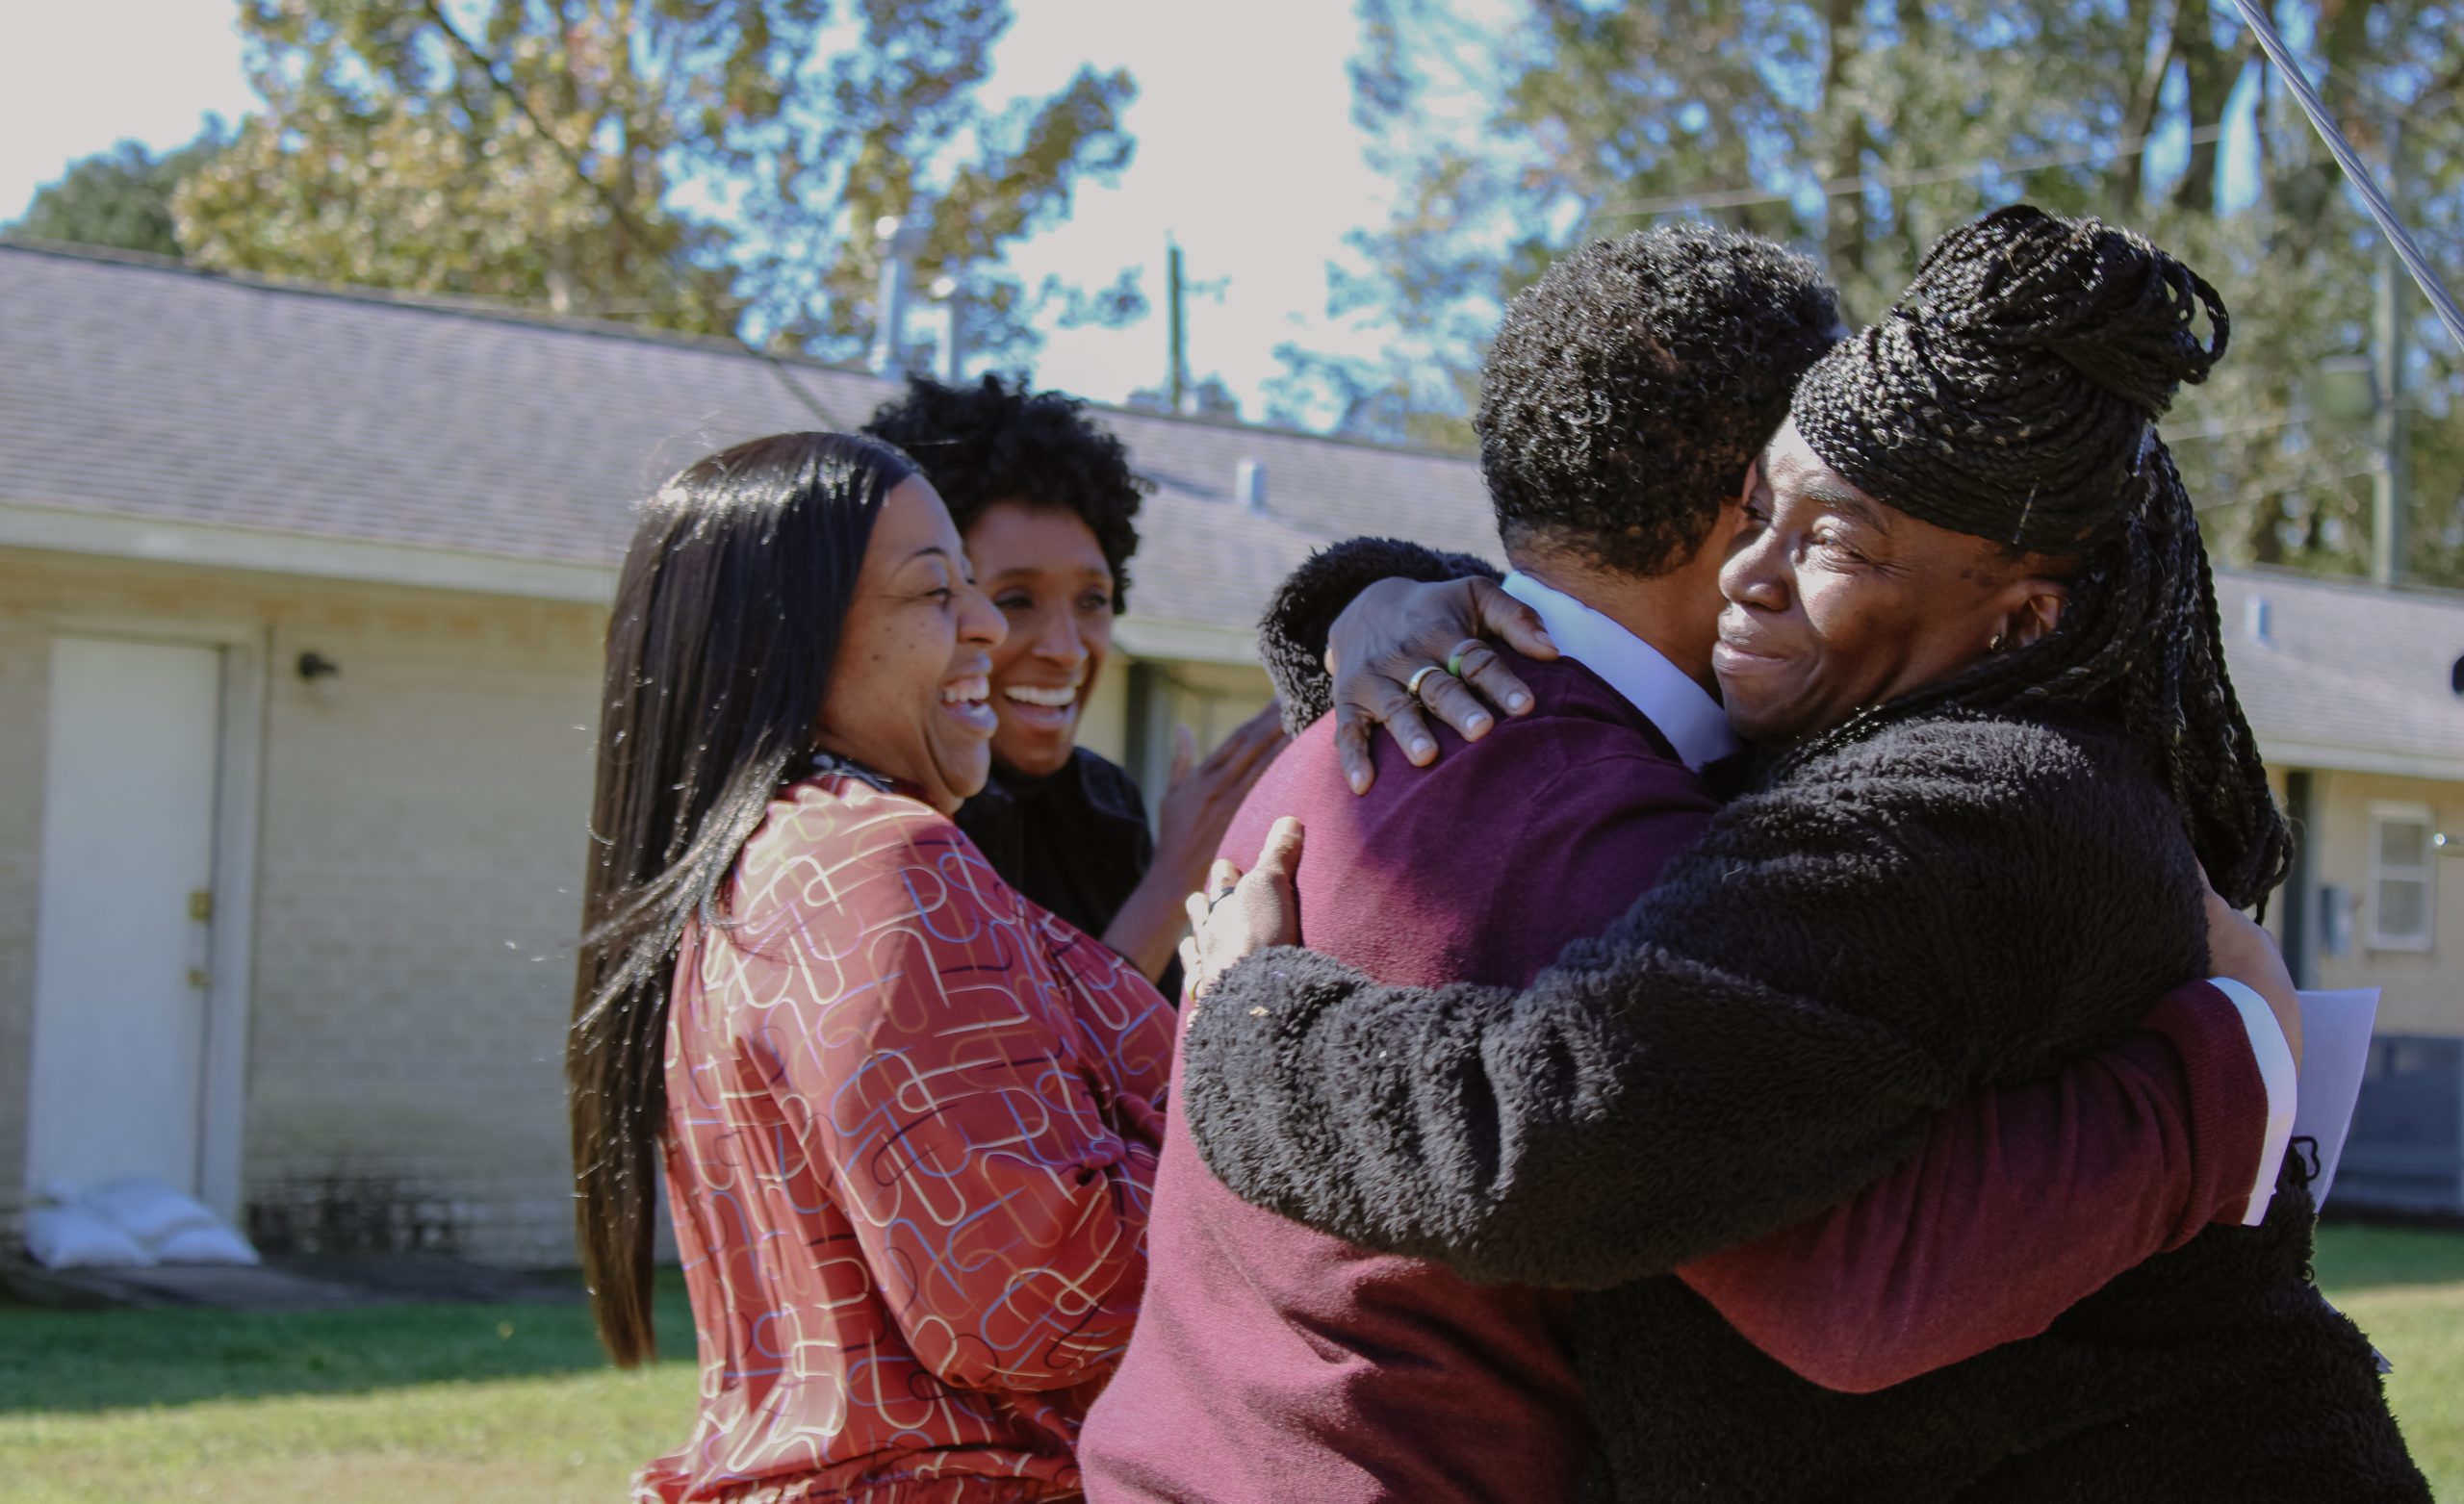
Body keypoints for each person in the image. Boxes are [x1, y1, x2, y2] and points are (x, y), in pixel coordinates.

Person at [1177, 208, 2426, 1500]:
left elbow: (1571, 1145)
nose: (1747, 573)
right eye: (1759, 509)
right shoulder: (1841, 744)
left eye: (1828, 539)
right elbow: (1588, 645)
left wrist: (1256, 1016)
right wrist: (1369, 600)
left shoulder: (1968, 811)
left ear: (2022, 614)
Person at [567, 431, 1172, 1504]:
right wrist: (1266, 1058)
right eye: (939, 594)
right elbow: (1030, 1297)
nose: (986, 625)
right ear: (789, 643)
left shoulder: (752, 873)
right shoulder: (880, 861)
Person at [865, 376, 1283, 994]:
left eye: (1092, 600)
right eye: (1014, 600)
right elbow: (1033, 1072)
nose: (1065, 649)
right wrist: (1174, 879)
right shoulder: (881, 823)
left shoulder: (1102, 803)